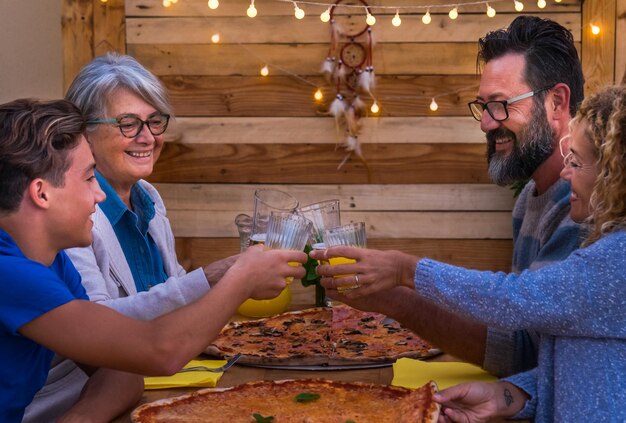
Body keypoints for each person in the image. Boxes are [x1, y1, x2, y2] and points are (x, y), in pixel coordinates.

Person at [316, 85, 626, 420]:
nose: (566, 173)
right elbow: (586, 366)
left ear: (614, 176)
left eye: (576, 162)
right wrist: (508, 396)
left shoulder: (616, 260)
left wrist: (407, 270)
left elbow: (515, 299)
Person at [0, 98, 306, 422]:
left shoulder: (53, 261)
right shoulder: (10, 274)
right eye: (89, 178)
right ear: (42, 193)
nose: (100, 194)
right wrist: (241, 279)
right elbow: (158, 351)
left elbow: (124, 371)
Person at [312, 16, 584, 377]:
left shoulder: (585, 206)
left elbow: (535, 340)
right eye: (483, 107)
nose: (487, 123)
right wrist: (390, 298)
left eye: (501, 104)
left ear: (556, 103)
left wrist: (404, 271)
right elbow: (524, 348)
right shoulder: (530, 198)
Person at [25, 53, 239, 422]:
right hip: (79, 401)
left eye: (155, 121)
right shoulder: (68, 217)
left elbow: (171, 296)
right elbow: (99, 328)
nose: (148, 137)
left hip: (153, 385)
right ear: (84, 132)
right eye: (128, 123)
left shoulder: (148, 197)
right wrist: (220, 278)